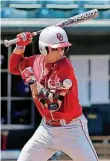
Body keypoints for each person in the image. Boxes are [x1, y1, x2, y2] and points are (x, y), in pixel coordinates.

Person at [8, 26, 99, 161]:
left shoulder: (64, 67)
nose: (60, 51)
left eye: (63, 48)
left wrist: (33, 83)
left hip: (72, 129)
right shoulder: (35, 61)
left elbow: (53, 104)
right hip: (47, 129)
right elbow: (14, 68)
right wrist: (20, 47)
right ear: (43, 49)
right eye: (56, 48)